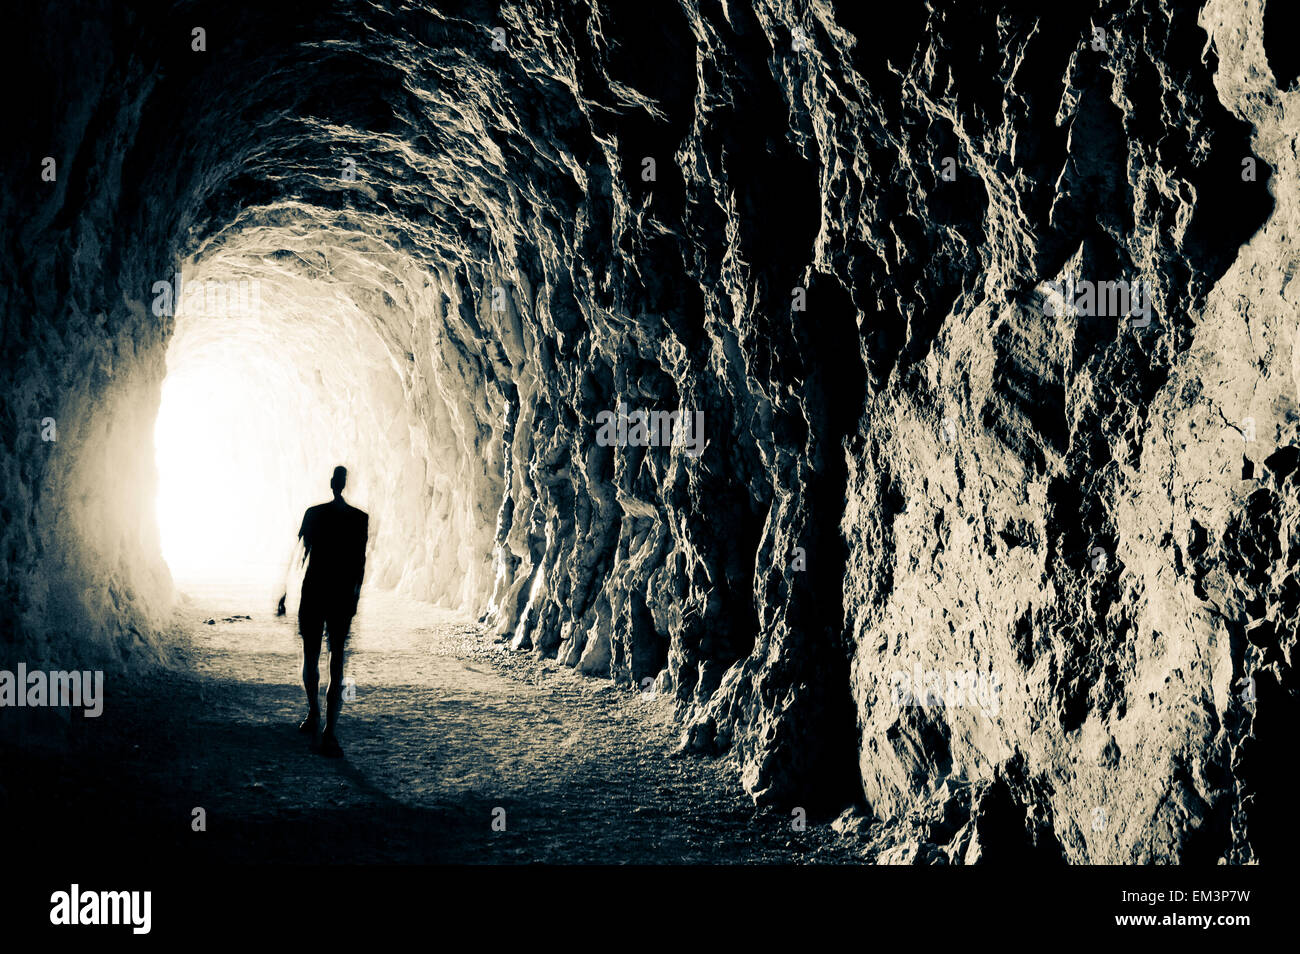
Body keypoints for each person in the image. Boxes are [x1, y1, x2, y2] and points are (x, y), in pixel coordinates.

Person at [276, 466, 368, 757]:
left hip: (314, 591)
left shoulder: (313, 513)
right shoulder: (359, 519)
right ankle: (330, 730)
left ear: (331, 484)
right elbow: (359, 563)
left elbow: (299, 554)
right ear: (346, 484)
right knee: (337, 661)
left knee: (311, 655)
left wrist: (284, 592)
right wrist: (355, 595)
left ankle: (313, 713)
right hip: (341, 595)